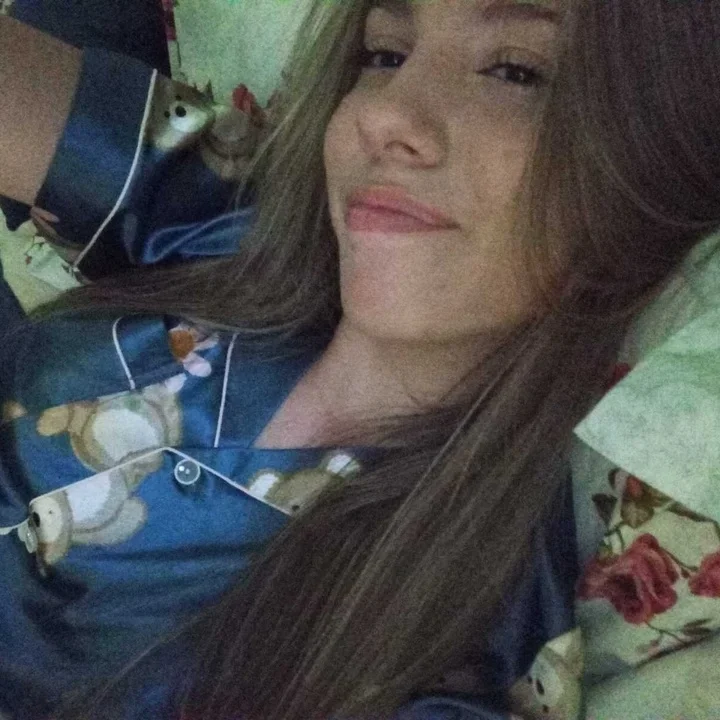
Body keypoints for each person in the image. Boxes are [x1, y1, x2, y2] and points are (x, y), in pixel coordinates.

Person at [0, 0, 718, 719]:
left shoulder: (456, 640)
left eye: (514, 71)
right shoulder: (245, 219)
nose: (385, 114)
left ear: (657, 150)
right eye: (384, 55)